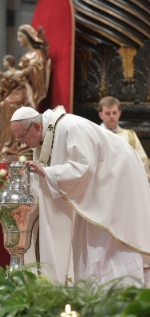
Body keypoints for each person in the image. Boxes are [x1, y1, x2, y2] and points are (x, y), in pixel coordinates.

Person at [10, 105, 150, 286]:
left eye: (22, 136)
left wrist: (47, 172)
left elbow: (84, 167)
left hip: (117, 182)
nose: (22, 143)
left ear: (37, 127)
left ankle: (121, 292)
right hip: (99, 186)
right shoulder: (50, 133)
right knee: (89, 239)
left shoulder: (68, 127)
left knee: (109, 240)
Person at [0, 24, 50, 157]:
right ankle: (8, 143)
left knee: (9, 104)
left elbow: (36, 70)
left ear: (28, 37)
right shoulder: (27, 54)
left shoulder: (37, 54)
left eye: (20, 37)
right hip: (20, 88)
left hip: (27, 90)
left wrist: (22, 73)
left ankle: (14, 144)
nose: (19, 40)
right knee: (3, 104)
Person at [98, 96, 150, 182]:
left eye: (114, 113)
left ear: (119, 113)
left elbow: (142, 162)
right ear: (100, 115)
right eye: (107, 113)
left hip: (127, 183)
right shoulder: (95, 135)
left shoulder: (130, 136)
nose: (111, 116)